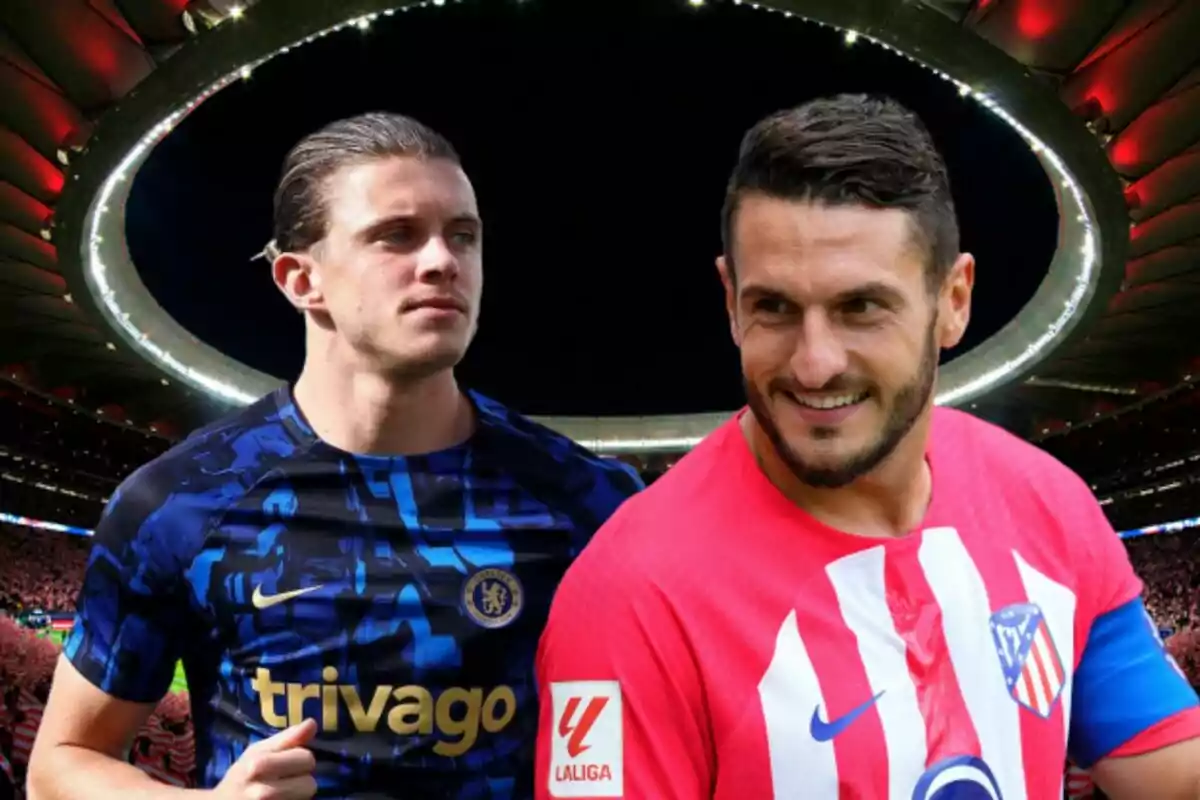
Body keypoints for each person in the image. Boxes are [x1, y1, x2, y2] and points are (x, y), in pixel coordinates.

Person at [533, 94, 1200, 799]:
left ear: (954, 299)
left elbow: (1168, 769)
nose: (814, 364)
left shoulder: (1047, 506)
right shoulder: (629, 599)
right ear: (730, 300)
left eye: (861, 308)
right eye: (774, 307)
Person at [28, 112, 642, 800]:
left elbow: (638, 745)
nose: (443, 261)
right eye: (396, 236)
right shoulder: (180, 501)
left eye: (463, 236)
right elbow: (61, 764)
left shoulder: (588, 500)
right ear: (299, 279)